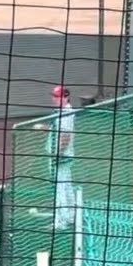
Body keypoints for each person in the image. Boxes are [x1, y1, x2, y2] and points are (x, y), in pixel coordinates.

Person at [50, 85, 78, 230]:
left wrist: (58, 154)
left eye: (57, 97)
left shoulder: (65, 113)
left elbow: (65, 136)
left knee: (59, 188)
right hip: (66, 154)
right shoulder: (64, 111)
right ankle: (72, 215)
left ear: (66, 97)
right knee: (66, 185)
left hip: (62, 156)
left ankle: (61, 221)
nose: (54, 99)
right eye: (54, 96)